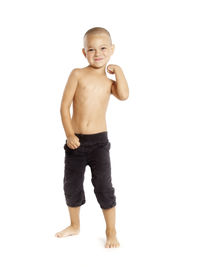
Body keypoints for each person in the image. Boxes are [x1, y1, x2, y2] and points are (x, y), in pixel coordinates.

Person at [55, 27, 129, 248]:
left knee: (104, 186)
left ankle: (111, 230)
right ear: (83, 52)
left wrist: (120, 72)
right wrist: (69, 134)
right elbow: (64, 106)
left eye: (103, 48)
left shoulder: (109, 82)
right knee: (71, 185)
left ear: (112, 49)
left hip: (99, 143)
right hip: (76, 141)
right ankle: (74, 225)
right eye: (91, 49)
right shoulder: (77, 74)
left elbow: (124, 95)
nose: (97, 53)